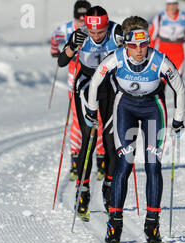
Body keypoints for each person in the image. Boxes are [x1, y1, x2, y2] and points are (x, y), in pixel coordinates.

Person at [87, 16, 185, 243]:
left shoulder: (158, 59)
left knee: (153, 166)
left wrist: (178, 118)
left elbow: (179, 87)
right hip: (125, 109)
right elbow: (96, 80)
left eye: (143, 45)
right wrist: (91, 110)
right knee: (125, 164)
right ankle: (114, 226)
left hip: (153, 108)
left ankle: (152, 227)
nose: (139, 51)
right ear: (125, 45)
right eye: (133, 46)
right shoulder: (117, 57)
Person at [57, 6, 123, 221]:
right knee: (89, 136)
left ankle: (109, 185)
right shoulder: (80, 34)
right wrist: (71, 47)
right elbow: (61, 61)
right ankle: (83, 189)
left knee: (111, 139)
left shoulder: (116, 32)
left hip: (111, 85)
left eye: (100, 32)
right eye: (93, 32)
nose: (96, 37)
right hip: (86, 85)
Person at [51, 1, 108, 181]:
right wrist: (59, 52)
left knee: (99, 119)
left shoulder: (96, 30)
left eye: (85, 18)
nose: (82, 22)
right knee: (78, 121)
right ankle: (75, 159)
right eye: (79, 18)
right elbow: (54, 42)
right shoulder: (65, 28)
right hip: (75, 78)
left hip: (96, 77)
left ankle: (101, 158)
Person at [149, 0, 185, 76]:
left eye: (174, 4)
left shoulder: (184, 17)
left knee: (177, 83)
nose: (172, 7)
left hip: (178, 55)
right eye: (169, 4)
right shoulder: (159, 17)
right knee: (161, 84)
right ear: (166, 5)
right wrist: (149, 55)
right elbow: (152, 37)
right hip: (163, 54)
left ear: (177, 4)